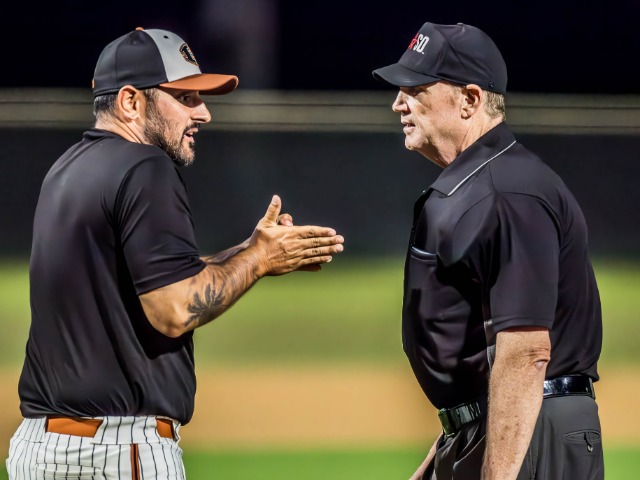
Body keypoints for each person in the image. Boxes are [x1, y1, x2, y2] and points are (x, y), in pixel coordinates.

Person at [6, 27, 344, 480]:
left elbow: (148, 279)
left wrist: (253, 249)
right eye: (185, 98)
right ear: (131, 101)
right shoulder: (146, 166)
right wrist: (260, 261)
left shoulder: (66, 169)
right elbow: (174, 308)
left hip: (41, 448)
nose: (203, 112)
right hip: (115, 452)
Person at [372, 22, 603, 479]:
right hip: (504, 425)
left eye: (415, 89)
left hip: (533, 430)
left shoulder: (507, 192)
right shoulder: (483, 184)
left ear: (470, 99)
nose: (398, 102)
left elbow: (525, 352)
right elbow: (482, 357)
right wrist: (446, 450)